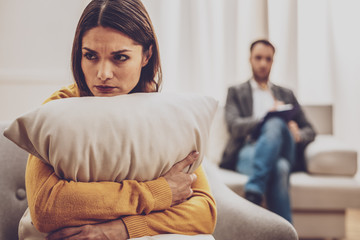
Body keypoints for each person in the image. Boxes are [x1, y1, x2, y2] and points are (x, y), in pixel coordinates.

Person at [22, 0, 216, 239]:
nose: (103, 74)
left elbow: (204, 212)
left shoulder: (166, 114)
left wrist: (118, 229)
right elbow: (46, 208)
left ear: (146, 55)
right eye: (90, 56)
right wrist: (156, 193)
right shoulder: (58, 109)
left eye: (120, 57)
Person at [220, 39, 316, 223]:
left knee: (277, 124)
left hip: (283, 147)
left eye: (268, 59)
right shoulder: (236, 91)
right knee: (279, 168)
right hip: (249, 150)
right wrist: (266, 117)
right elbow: (234, 126)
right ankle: (287, 234)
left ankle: (254, 190)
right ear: (250, 59)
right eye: (258, 58)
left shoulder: (286, 94)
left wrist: (297, 134)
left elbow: (310, 130)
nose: (263, 63)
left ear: (273, 61)